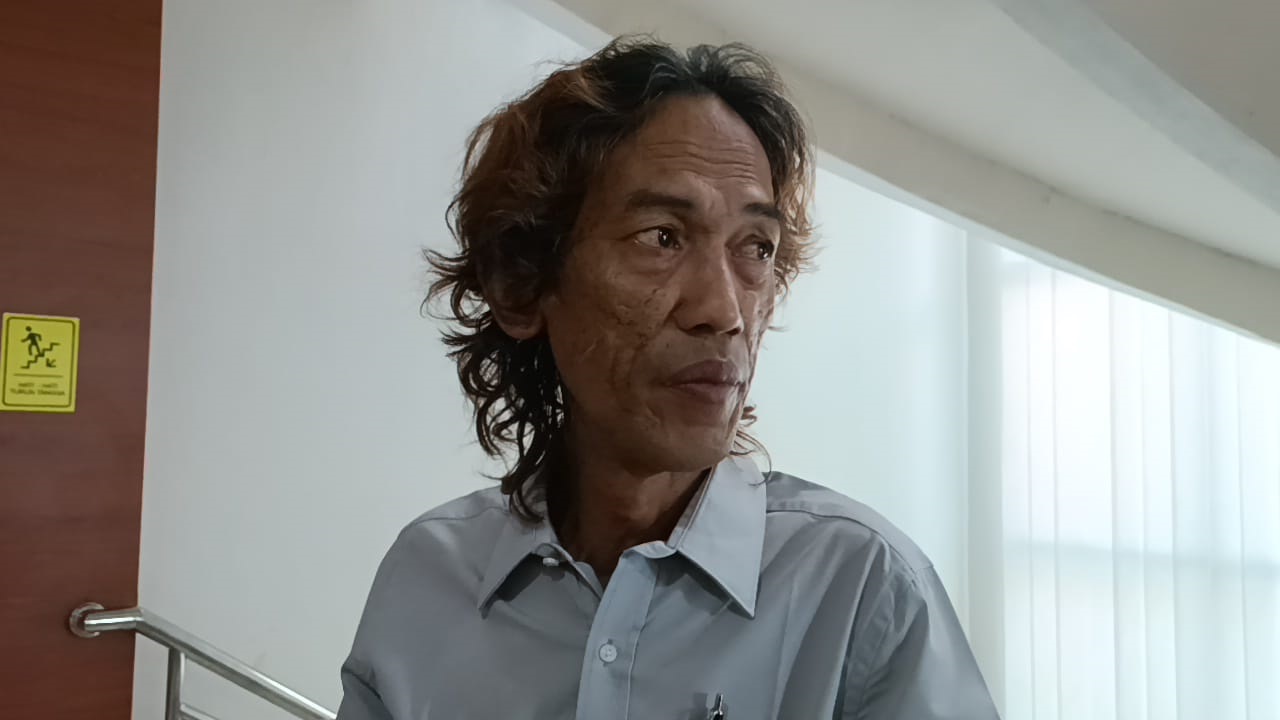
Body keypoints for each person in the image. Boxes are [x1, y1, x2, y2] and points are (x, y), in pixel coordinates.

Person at [338, 37, 999, 719]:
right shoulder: (428, 582)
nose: (724, 311)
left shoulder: (863, 592)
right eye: (662, 237)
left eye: (756, 248)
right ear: (520, 283)